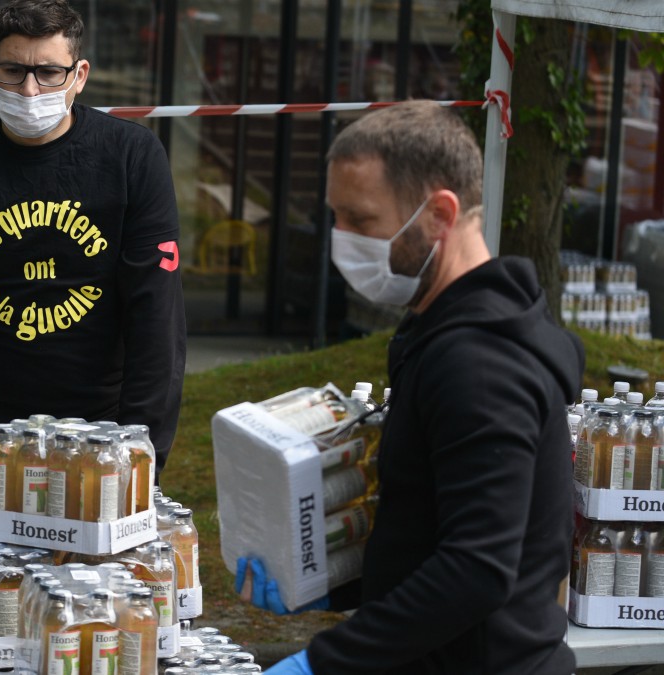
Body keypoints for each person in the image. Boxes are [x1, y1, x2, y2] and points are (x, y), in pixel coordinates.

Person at [265, 100, 582, 674]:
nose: (341, 241)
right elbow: (431, 532)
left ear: (439, 213)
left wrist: (322, 665)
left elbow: (477, 570)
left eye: (361, 221)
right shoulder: (441, 332)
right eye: (335, 218)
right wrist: (334, 583)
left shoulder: (480, 365)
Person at [0, 0, 186, 502]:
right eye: (13, 71)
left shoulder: (131, 157)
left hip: (100, 433)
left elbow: (156, 318)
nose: (30, 90)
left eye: (49, 72)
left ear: (80, 75)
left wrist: (143, 455)